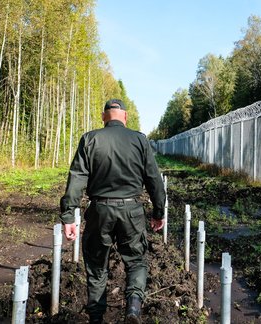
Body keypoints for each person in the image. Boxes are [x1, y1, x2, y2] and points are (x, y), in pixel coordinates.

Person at [60, 98, 166, 324]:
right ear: (125, 118)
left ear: (103, 116)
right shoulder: (139, 140)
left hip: (100, 210)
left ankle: (96, 318)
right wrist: (158, 212)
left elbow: (77, 178)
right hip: (131, 210)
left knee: (97, 267)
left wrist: (69, 215)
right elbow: (154, 179)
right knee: (136, 261)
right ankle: (134, 309)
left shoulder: (90, 139)